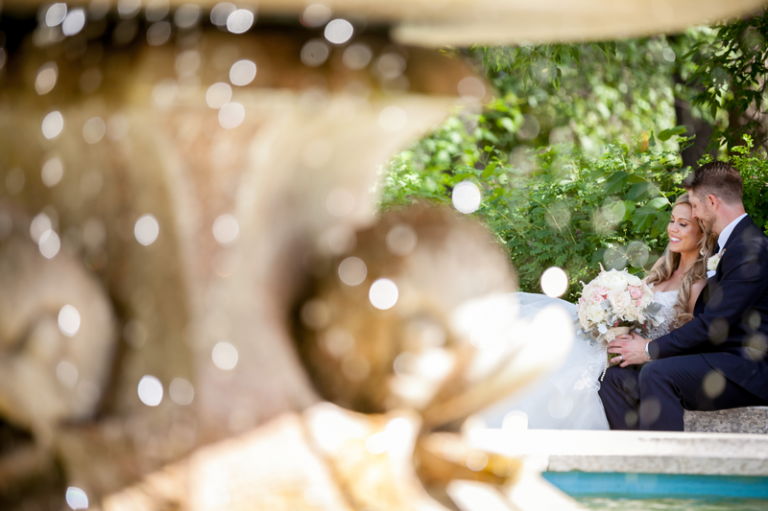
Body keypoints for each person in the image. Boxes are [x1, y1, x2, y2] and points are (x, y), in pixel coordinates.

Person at [481, 193, 717, 429]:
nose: (673, 229)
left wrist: (641, 347)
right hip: (609, 344)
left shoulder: (696, 286)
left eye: (683, 224)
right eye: (672, 220)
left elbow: (686, 342)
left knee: (564, 375)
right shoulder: (662, 272)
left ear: (702, 232)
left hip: (632, 357)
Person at [600, 161, 768, 430]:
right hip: (717, 358)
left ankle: (665, 467)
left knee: (658, 374)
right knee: (617, 379)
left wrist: (647, 350)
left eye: (696, 206)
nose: (697, 214)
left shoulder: (751, 247)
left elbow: (715, 323)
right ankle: (635, 462)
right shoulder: (731, 245)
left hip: (746, 367)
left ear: (711, 201)